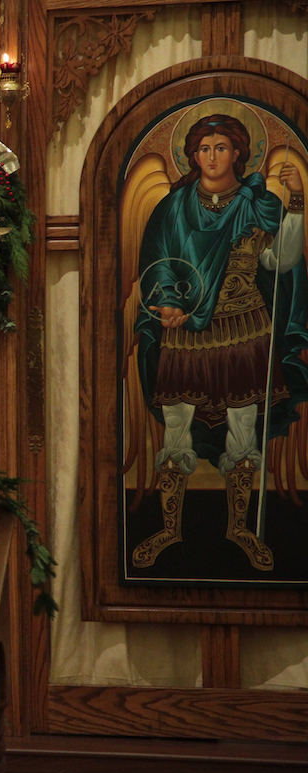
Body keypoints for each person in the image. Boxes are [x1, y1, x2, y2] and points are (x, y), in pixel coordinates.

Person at [132, 113, 306, 571]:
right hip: (187, 332)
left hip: (243, 328)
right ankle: (169, 529)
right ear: (192, 155)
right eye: (204, 148)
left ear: (238, 153)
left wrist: (296, 202)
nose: (211, 157)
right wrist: (168, 301)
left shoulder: (257, 203)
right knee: (175, 427)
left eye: (221, 147)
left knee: (243, 428)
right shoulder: (173, 207)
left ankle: (240, 529)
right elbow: (158, 261)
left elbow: (282, 262)